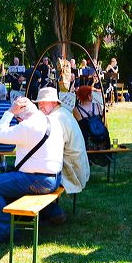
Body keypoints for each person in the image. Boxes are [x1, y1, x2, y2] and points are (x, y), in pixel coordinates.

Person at [0, 97, 64, 244]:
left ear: (19, 117)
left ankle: (5, 230)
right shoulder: (51, 121)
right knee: (5, 184)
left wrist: (10, 112)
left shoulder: (27, 126)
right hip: (55, 178)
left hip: (38, 180)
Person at [35, 87, 89, 224]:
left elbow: (51, 149)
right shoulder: (63, 113)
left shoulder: (55, 118)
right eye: (38, 103)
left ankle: (49, 212)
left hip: (71, 169)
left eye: (43, 102)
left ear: (54, 103)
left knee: (34, 176)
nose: (39, 105)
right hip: (78, 164)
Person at [74, 85, 111, 152]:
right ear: (89, 96)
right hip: (103, 141)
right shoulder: (98, 106)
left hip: (87, 143)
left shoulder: (76, 110)